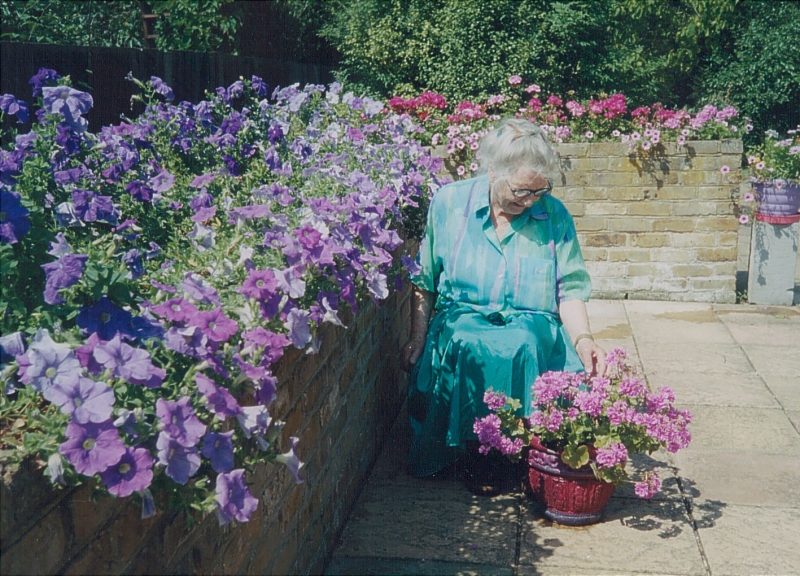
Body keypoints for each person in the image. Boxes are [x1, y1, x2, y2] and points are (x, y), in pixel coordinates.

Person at [402, 117, 606, 493]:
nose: (529, 201)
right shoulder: (449, 203)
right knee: (466, 340)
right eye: (521, 191)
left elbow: (571, 289)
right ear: (492, 170)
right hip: (463, 314)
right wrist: (417, 337)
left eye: (538, 192)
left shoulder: (554, 215)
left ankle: (520, 453)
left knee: (524, 342)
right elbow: (424, 279)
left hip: (532, 321)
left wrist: (584, 340)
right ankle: (472, 453)